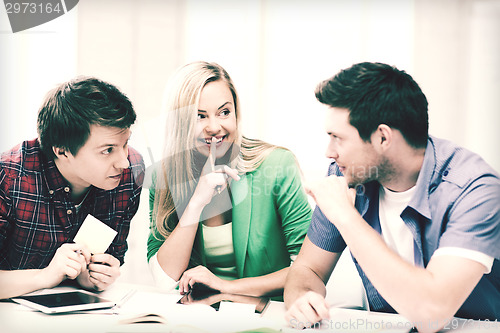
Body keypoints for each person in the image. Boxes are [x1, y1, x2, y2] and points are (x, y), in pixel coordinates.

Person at [284, 62, 500, 331]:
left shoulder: (476, 190)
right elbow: (308, 270)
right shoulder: (349, 177)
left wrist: (345, 217)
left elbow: (431, 313)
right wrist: (303, 299)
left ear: (383, 138)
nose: (329, 152)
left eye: (337, 138)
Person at [147, 61, 312, 297]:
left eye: (225, 112)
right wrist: (195, 205)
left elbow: (308, 270)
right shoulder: (164, 176)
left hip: (269, 315)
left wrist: (227, 287)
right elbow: (164, 280)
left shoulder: (277, 166)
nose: (215, 127)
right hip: (203, 316)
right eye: (200, 116)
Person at [0, 77, 145, 299]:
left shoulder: (130, 171)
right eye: (107, 150)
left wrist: (92, 277)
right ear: (62, 151)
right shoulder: (10, 178)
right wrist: (45, 276)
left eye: (124, 144)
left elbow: (113, 257)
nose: (123, 161)